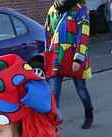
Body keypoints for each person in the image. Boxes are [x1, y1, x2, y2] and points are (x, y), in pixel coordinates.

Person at [45, 0, 95, 129]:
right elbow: (48, 33)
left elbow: (83, 36)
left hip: (73, 56)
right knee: (53, 93)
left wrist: (78, 58)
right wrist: (47, 55)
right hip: (56, 56)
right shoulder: (52, 10)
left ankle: (89, 113)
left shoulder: (80, 10)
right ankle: (54, 124)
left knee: (81, 90)